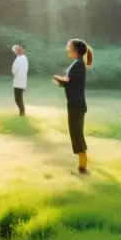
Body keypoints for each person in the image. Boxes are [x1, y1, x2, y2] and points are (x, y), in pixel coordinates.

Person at [53, 39, 93, 175]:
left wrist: (59, 79)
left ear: (75, 49)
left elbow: (69, 80)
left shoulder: (78, 64)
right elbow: (72, 82)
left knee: (76, 134)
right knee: (75, 133)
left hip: (76, 104)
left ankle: (83, 167)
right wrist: (61, 81)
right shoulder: (77, 64)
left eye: (68, 46)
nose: (66, 48)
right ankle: (82, 166)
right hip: (75, 103)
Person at [12, 44, 29, 116]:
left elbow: (14, 70)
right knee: (18, 99)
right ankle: (22, 113)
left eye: (17, 50)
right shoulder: (22, 58)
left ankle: (22, 114)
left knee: (18, 99)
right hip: (20, 82)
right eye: (15, 50)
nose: (16, 51)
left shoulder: (21, 58)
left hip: (19, 82)